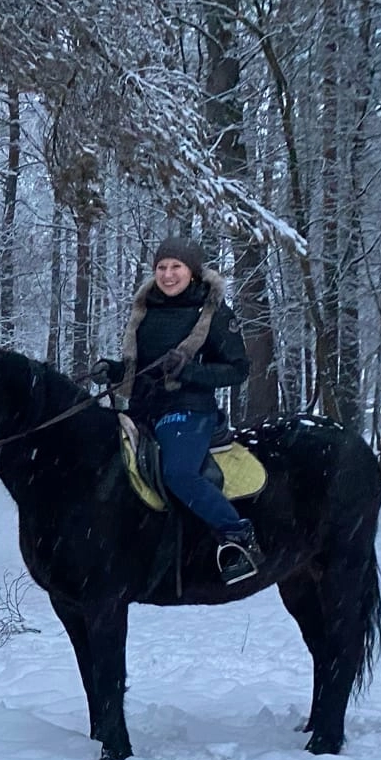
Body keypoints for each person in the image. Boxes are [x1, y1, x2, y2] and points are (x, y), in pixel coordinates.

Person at [95, 236, 261, 585]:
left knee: (178, 473)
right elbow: (139, 370)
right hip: (143, 411)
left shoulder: (212, 313)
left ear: (193, 272)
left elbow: (238, 369)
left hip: (189, 411)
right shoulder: (144, 311)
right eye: (161, 267)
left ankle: (238, 537)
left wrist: (188, 371)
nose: (168, 275)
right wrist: (111, 371)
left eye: (176, 267)